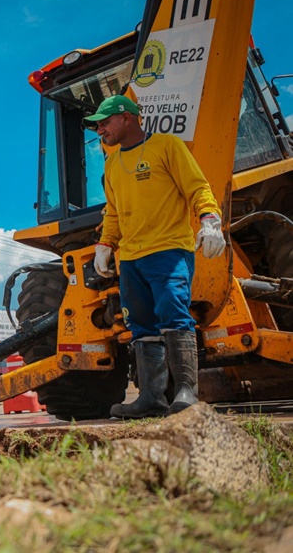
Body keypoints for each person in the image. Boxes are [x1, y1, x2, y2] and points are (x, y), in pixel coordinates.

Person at [82, 94, 226, 419]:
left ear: (127, 118)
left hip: (169, 250)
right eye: (98, 125)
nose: (100, 129)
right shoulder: (112, 163)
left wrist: (209, 219)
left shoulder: (167, 146)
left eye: (105, 122)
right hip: (132, 259)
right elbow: (114, 212)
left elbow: (197, 187)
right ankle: (151, 397)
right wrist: (106, 244)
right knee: (141, 326)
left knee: (174, 315)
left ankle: (186, 392)